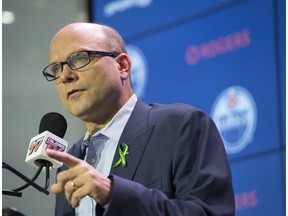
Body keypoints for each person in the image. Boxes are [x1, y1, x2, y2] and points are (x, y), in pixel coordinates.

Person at [44, 22, 235, 216]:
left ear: (122, 66)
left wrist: (114, 193)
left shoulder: (180, 126)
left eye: (79, 58)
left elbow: (208, 213)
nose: (65, 75)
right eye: (56, 69)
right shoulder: (70, 162)